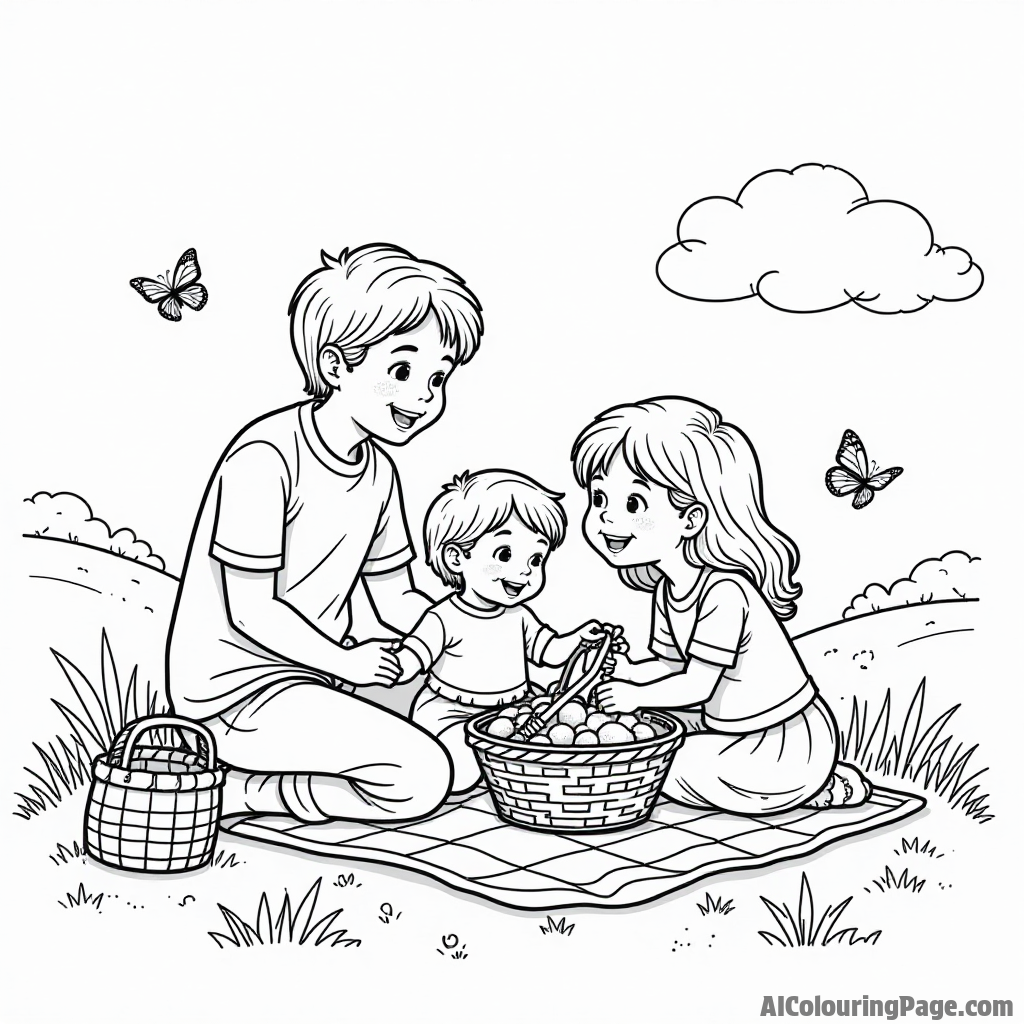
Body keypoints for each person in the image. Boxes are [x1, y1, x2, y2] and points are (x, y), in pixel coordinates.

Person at [165, 244, 485, 824]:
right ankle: (237, 796)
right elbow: (252, 612)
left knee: (465, 746)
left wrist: (475, 626)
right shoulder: (264, 459)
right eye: (404, 371)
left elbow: (397, 599)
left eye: (438, 379)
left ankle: (280, 777)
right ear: (337, 365)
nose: (424, 396)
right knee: (424, 776)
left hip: (319, 675)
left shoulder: (379, 472)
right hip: (233, 693)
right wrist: (349, 664)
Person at [571, 396, 871, 814]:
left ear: (691, 519)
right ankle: (810, 786)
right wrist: (627, 673)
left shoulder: (724, 593)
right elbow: (672, 668)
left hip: (782, 738)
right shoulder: (668, 588)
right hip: (731, 730)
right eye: (600, 498)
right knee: (644, 743)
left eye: (633, 505)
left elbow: (696, 685)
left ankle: (807, 784)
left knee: (659, 767)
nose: (605, 517)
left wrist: (633, 695)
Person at [396, 470, 610, 792]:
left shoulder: (520, 616)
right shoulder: (443, 617)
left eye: (536, 558)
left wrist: (578, 639)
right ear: (457, 557)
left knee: (553, 740)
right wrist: (399, 665)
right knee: (463, 768)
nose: (524, 570)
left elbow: (549, 652)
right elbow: (415, 653)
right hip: (451, 714)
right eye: (505, 555)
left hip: (514, 713)